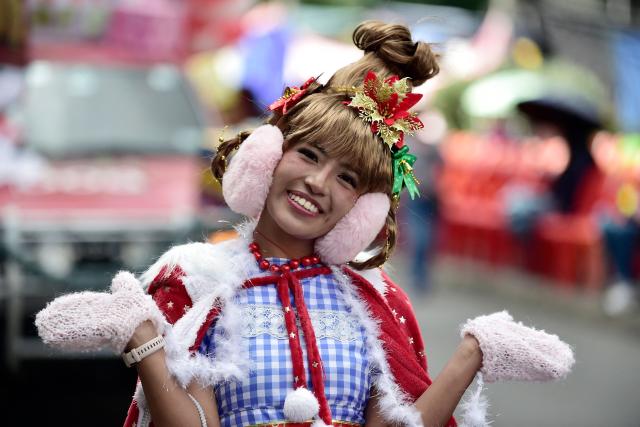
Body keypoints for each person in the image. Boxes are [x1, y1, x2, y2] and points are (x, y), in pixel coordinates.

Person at [34, 21, 574, 427]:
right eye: (310, 155)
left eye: (347, 179)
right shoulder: (198, 282)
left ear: (365, 211)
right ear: (267, 153)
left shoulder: (375, 304)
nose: (319, 183)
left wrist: (472, 353)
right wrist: (144, 334)